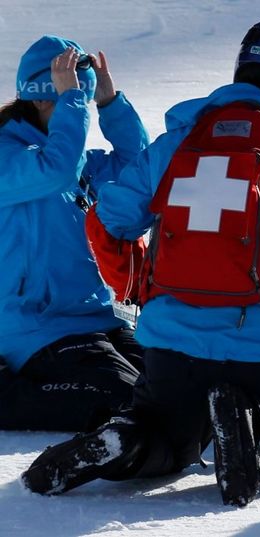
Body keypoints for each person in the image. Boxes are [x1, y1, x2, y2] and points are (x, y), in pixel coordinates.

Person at [22, 17, 260, 507]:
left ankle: (125, 440)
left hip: (169, 348)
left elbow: (107, 220)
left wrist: (137, 285)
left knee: (166, 437)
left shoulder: (180, 142)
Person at [0, 35, 149, 432]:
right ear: (43, 99)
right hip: (35, 328)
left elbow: (139, 171)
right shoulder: (6, 156)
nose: (77, 105)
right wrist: (75, 104)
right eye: (70, 97)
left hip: (95, 317)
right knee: (127, 400)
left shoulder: (69, 155)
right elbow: (56, 171)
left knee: (174, 384)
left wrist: (110, 104)